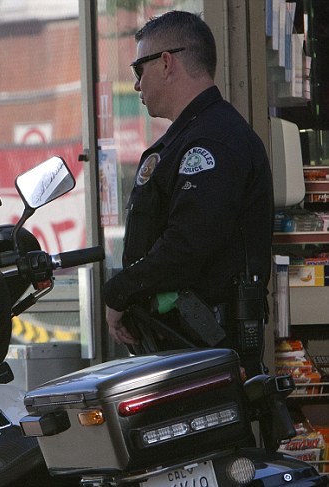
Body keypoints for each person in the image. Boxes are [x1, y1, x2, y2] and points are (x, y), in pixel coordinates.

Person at [103, 11, 273, 377]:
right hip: (186, 347)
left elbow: (189, 244)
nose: (136, 85)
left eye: (139, 69)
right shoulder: (195, 135)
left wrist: (120, 292)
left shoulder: (211, 141)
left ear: (166, 63)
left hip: (206, 348)